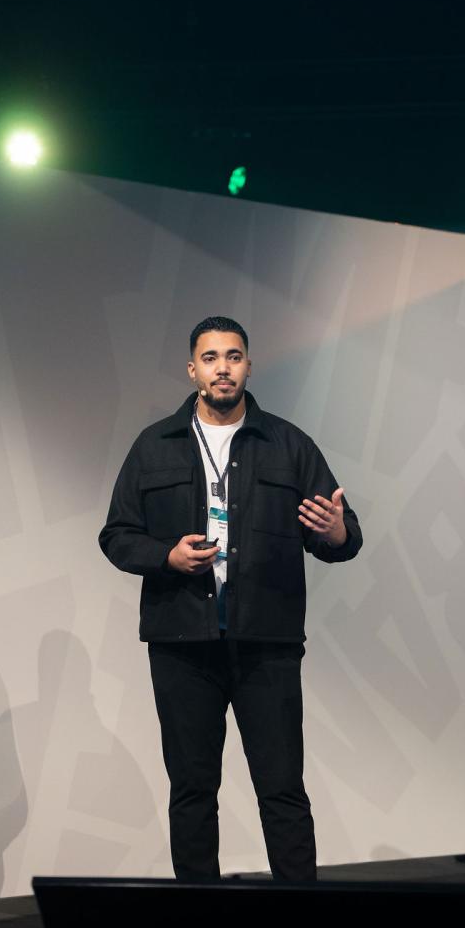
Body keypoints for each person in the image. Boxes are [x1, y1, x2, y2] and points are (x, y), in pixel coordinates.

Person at [99, 316, 362, 881]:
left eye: (234, 356)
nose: (223, 368)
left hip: (267, 644)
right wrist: (166, 557)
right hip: (182, 644)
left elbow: (342, 537)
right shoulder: (154, 446)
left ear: (248, 366)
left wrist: (338, 532)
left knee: (282, 788)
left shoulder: (288, 445)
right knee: (192, 790)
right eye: (211, 357)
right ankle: (202, 922)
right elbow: (117, 536)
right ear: (192, 369)